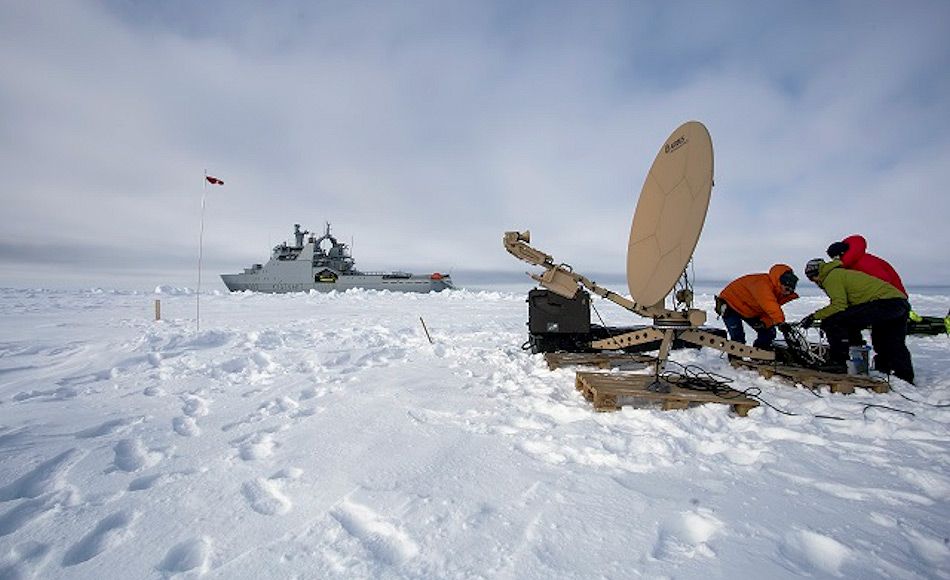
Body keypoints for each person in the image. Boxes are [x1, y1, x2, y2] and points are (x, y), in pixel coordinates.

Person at [801, 258, 914, 384]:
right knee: (890, 340)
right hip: (899, 303)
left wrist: (815, 316)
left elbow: (839, 305)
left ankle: (839, 361)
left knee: (834, 322)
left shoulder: (831, 277)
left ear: (817, 273)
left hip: (883, 303)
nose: (815, 281)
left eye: (812, 278)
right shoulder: (841, 273)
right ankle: (902, 375)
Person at [716, 264, 799, 350]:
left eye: (791, 291)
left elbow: (768, 311)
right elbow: (769, 305)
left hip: (750, 309)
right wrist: (780, 322)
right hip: (731, 304)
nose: (788, 293)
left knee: (768, 332)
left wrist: (764, 322)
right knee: (738, 338)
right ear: (780, 283)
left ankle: (760, 352)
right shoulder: (763, 284)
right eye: (787, 289)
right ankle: (735, 356)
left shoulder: (779, 294)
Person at [826, 235, 906, 294]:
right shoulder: (852, 263)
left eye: (835, 258)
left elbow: (883, 281)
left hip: (894, 298)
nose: (835, 261)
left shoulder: (864, 262)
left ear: (841, 254)